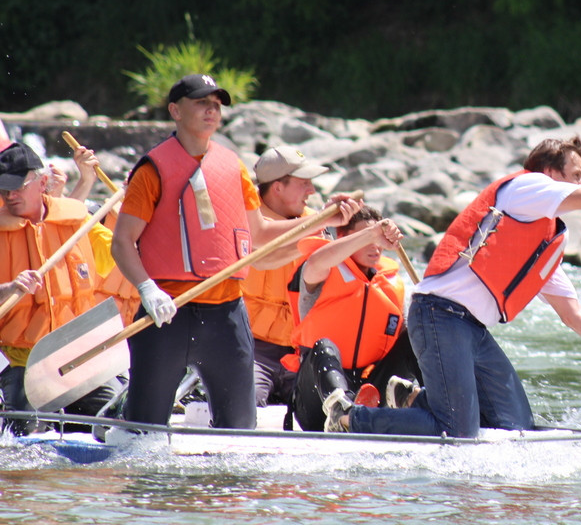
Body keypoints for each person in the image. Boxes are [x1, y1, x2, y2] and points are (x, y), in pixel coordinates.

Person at [322, 136, 581, 437]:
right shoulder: (529, 187)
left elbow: (574, 315)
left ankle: (412, 400)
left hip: (470, 328)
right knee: (457, 430)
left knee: (514, 425)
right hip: (439, 315)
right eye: (575, 174)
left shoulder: (541, 239)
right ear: (549, 173)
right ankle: (349, 417)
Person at [111, 74, 359, 429]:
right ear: (174, 111)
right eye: (201, 103)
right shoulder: (152, 170)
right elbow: (122, 242)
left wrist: (323, 219)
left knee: (240, 429)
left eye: (216, 104)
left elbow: (261, 235)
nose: (211, 110)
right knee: (143, 430)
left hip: (225, 315)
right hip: (166, 312)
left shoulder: (233, 166)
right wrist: (148, 289)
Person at [0, 142, 122, 433]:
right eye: (4, 189)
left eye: (18, 187)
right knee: (22, 436)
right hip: (23, 363)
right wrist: (8, 288)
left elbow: (124, 252)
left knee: (116, 428)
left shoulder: (77, 219)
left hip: (78, 359)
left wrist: (137, 206)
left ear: (42, 182)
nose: (10, 196)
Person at [288, 205, 420, 432]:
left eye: (379, 240)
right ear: (344, 238)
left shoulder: (391, 284)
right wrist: (371, 233)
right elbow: (317, 261)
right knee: (324, 345)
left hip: (367, 387)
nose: (375, 246)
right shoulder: (322, 270)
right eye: (368, 239)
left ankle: (433, 403)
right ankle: (342, 412)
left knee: (416, 335)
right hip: (317, 398)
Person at [241, 145, 330, 408]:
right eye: (304, 183)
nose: (312, 191)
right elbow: (263, 259)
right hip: (252, 350)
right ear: (277, 187)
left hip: (301, 352)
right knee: (246, 406)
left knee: (324, 409)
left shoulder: (320, 223)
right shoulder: (243, 223)